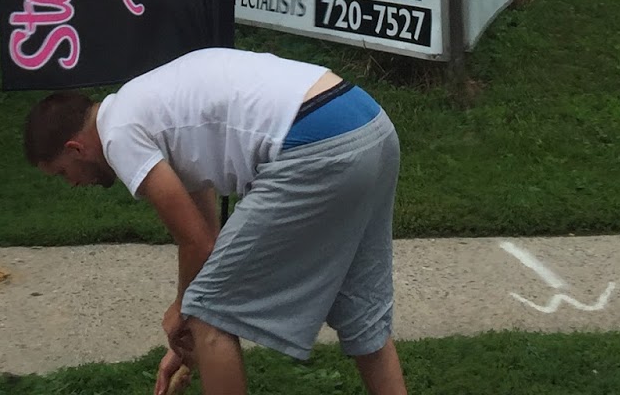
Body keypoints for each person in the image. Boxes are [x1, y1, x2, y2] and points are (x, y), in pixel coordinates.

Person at [25, 49, 407, 395]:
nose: (74, 183)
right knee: (363, 316)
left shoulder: (118, 135)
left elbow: (197, 245)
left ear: (75, 149)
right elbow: (207, 237)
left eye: (63, 172)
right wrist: (185, 329)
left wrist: (184, 312)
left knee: (210, 316)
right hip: (369, 123)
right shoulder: (146, 106)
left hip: (315, 145)